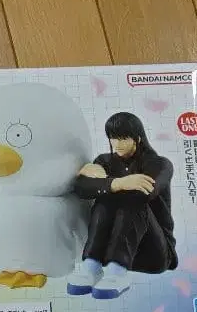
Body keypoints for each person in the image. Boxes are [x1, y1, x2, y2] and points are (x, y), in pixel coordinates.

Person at [67, 111, 177, 299]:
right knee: (106, 196)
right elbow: (80, 188)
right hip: (107, 254)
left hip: (153, 253)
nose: (116, 144)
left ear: (137, 139)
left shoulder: (159, 164)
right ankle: (91, 266)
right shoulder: (104, 161)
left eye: (123, 138)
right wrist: (117, 183)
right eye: (113, 138)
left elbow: (145, 192)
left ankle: (117, 273)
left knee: (132, 198)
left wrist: (106, 182)